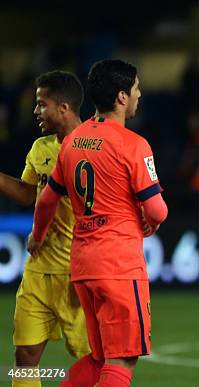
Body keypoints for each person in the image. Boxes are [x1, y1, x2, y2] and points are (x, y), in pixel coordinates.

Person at [28, 59, 168, 387]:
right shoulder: (134, 145)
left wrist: (38, 235)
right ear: (121, 96)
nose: (139, 94)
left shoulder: (74, 141)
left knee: (100, 357)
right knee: (121, 359)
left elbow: (47, 199)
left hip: (84, 264)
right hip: (118, 264)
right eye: (135, 89)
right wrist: (150, 220)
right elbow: (158, 210)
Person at [0, 71, 89, 387]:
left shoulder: (97, 147)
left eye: (42, 104)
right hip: (38, 271)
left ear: (63, 107)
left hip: (79, 274)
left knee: (94, 361)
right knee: (25, 357)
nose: (36, 111)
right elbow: (27, 193)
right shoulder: (40, 149)